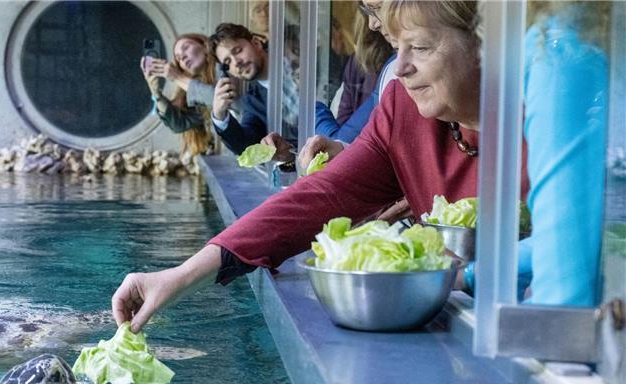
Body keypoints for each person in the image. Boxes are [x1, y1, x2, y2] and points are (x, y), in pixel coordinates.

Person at [113, 0, 530, 333]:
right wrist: (181, 275)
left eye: (419, 47)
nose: (399, 69)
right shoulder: (403, 106)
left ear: (485, 42)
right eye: (397, 47)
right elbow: (321, 195)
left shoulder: (545, 116)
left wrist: (468, 277)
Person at [461, 1, 610, 307]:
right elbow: (575, 232)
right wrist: (472, 274)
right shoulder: (592, 38)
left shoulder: (558, 49)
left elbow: (563, 300)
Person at [209, 23, 297, 160]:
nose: (236, 63)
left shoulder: (298, 57)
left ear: (256, 43)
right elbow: (246, 147)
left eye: (237, 51)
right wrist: (219, 115)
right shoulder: (252, 102)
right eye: (227, 62)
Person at [316, 0, 395, 144]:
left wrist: (314, 110)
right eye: (368, 11)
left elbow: (340, 141)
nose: (372, 24)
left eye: (378, 8)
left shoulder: (394, 67)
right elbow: (343, 139)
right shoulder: (357, 62)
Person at [141, 34, 219, 156]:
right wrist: (156, 92)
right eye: (177, 58)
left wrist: (177, 77)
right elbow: (178, 124)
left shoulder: (223, 65)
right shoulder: (192, 91)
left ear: (205, 46)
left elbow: (220, 99)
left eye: (186, 47)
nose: (182, 57)